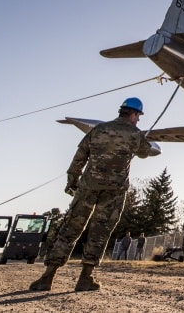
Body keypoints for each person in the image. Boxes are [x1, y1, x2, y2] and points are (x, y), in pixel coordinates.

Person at [28, 97, 159, 292]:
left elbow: (79, 158)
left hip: (87, 187)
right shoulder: (135, 134)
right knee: (100, 233)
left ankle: (47, 278)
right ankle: (85, 278)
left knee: (69, 229)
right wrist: (141, 139)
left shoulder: (98, 130)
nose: (138, 120)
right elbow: (148, 152)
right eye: (138, 116)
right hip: (113, 192)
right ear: (133, 114)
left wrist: (72, 182)